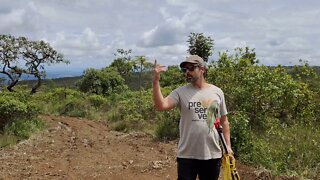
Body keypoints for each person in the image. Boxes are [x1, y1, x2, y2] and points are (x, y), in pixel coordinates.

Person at [153, 55, 233, 180]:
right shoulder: (180, 92)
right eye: (185, 70)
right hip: (187, 155)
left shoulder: (217, 92)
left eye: (191, 68)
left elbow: (224, 121)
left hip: (212, 154)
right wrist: (156, 81)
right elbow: (161, 106)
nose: (187, 72)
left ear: (202, 69)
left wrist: (228, 146)